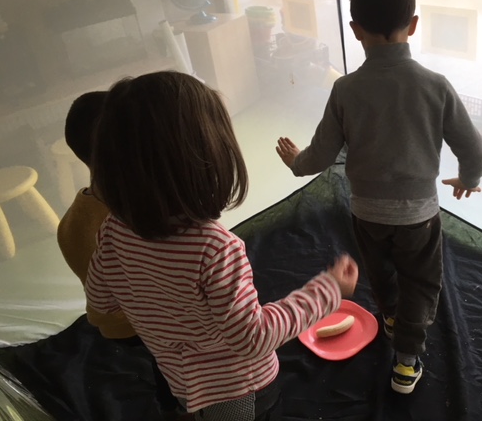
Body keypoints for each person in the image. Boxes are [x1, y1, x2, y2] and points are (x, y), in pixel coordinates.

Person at [84, 71, 358, 420]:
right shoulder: (215, 248)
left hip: (178, 378)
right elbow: (254, 339)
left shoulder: (111, 231)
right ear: (207, 161)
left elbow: (101, 302)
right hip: (240, 391)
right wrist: (328, 290)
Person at [275, 0, 482, 395]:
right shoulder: (436, 86)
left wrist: (296, 162)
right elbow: (474, 150)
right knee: (421, 285)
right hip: (419, 217)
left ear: (355, 30)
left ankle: (389, 315)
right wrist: (468, 178)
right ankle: (406, 362)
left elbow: (320, 155)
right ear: (413, 25)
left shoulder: (346, 90)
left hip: (367, 214)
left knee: (381, 271)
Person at [57, 91, 189, 421]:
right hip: (135, 324)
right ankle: (178, 406)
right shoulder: (118, 222)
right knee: (171, 359)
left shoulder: (78, 218)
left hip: (120, 317)